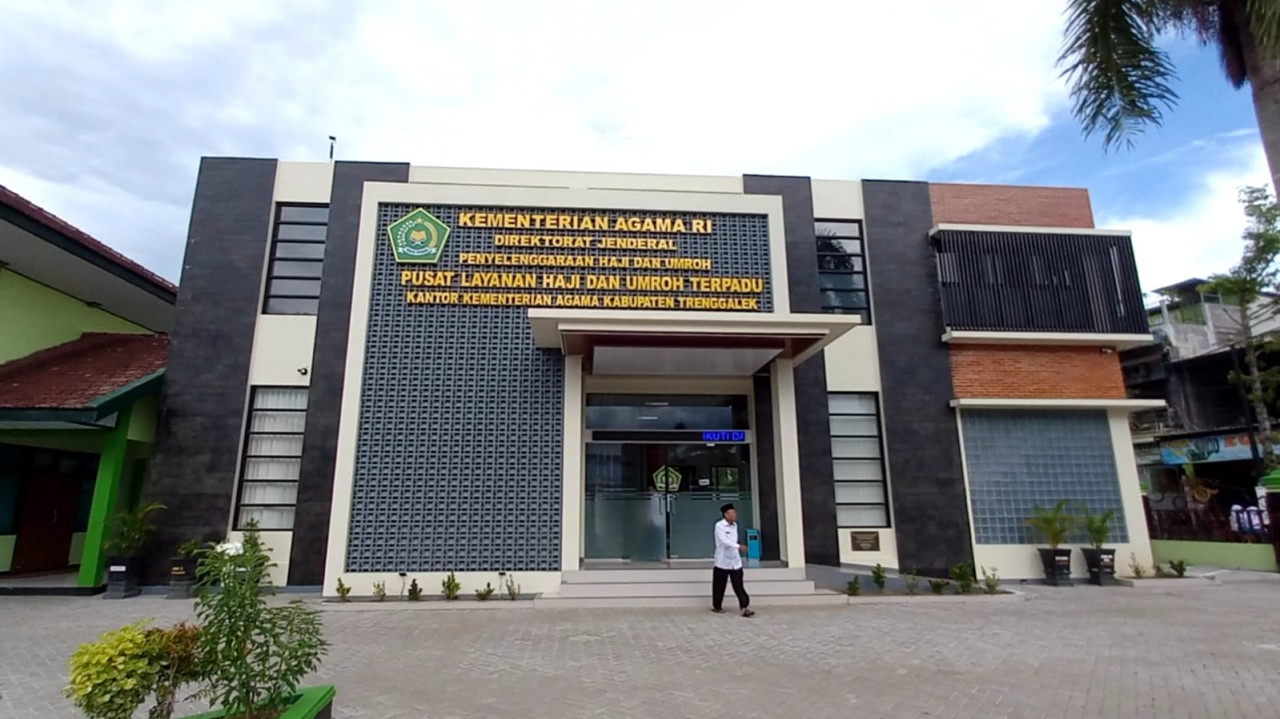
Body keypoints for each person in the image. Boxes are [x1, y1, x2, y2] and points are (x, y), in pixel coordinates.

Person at [711, 502, 753, 617]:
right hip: (722, 561)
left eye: (735, 512)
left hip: (735, 561)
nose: (734, 515)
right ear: (726, 514)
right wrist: (738, 546)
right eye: (732, 513)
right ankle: (717, 606)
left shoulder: (735, 525)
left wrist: (737, 548)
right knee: (719, 585)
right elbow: (724, 541)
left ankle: (744, 607)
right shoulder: (719, 525)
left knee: (739, 585)